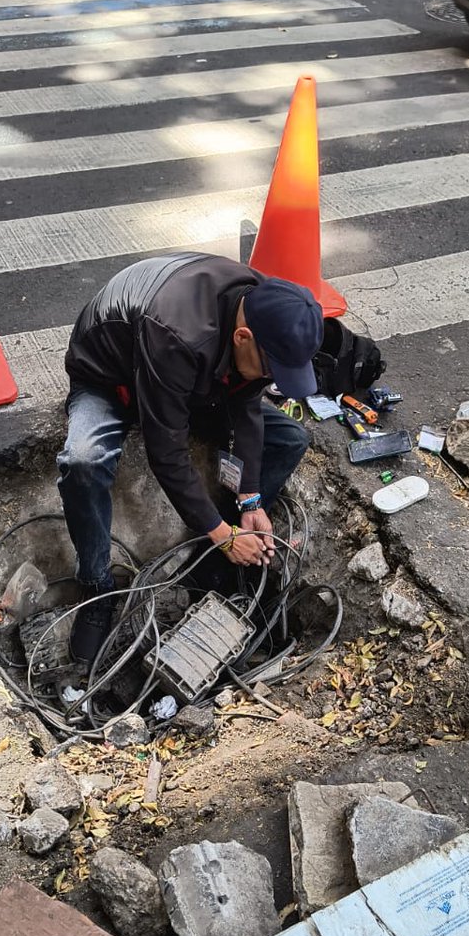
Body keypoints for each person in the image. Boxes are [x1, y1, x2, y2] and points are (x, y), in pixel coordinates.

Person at [57, 251, 324, 664]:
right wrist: (222, 534)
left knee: (289, 439)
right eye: (270, 370)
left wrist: (250, 499)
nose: (271, 380)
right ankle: (97, 588)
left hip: (190, 380)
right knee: (83, 461)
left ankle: (212, 564)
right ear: (242, 338)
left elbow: (246, 405)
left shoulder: (264, 308)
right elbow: (167, 453)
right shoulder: (178, 333)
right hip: (110, 377)